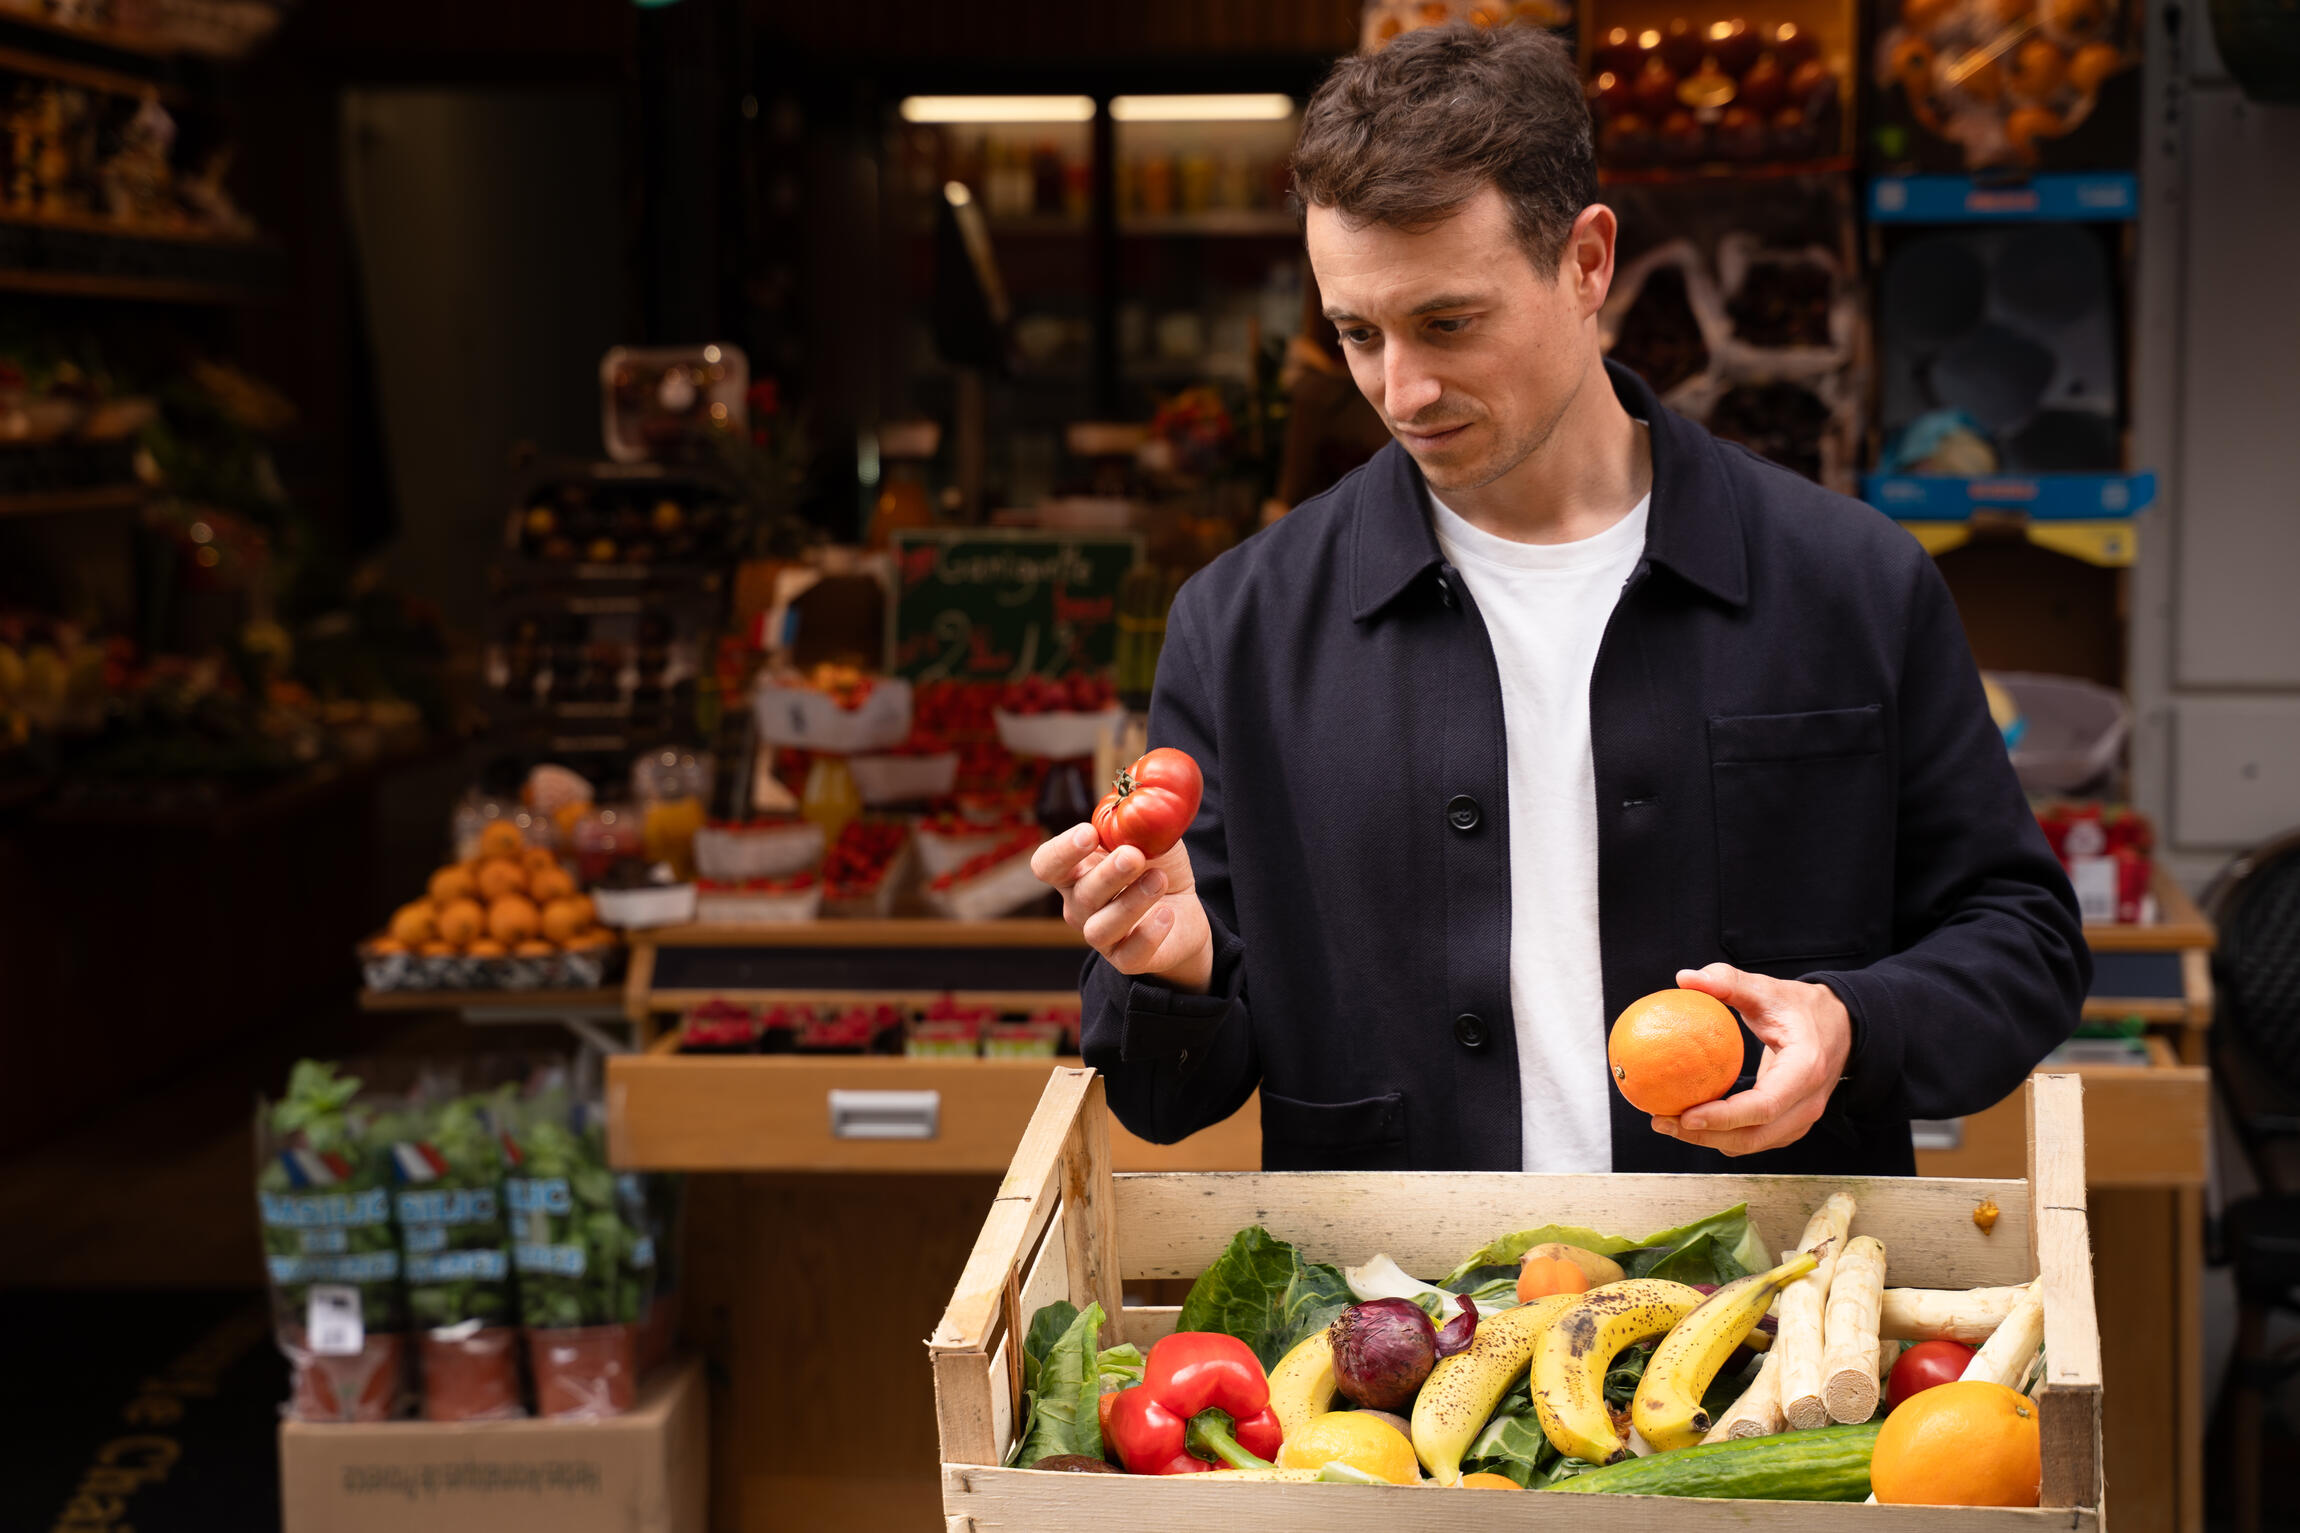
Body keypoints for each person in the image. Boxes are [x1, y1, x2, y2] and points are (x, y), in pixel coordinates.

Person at [1030, 24, 2088, 1174]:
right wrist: (1174, 969)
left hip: (1771, 1320)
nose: (1402, 389)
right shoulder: (1239, 628)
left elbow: (2020, 943)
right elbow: (1161, 1099)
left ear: (1586, 264)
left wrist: (1849, 1028)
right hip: (1406, 1330)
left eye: (1447, 323)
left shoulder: (1848, 581)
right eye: (1355, 333)